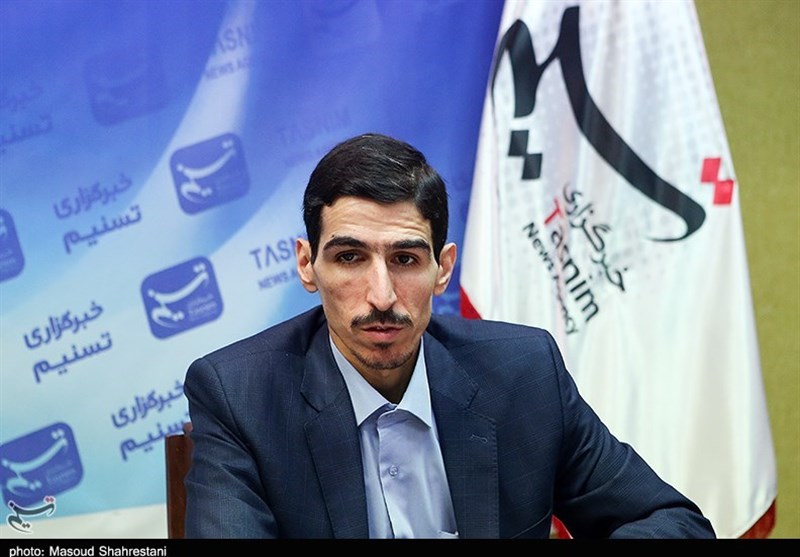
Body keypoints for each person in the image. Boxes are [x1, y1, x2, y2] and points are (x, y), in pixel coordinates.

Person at [182, 133, 716, 539]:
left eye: (405, 259)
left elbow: (672, 521)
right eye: (350, 257)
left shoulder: (523, 373)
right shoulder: (241, 397)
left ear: (443, 268)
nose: (382, 296)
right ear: (307, 265)